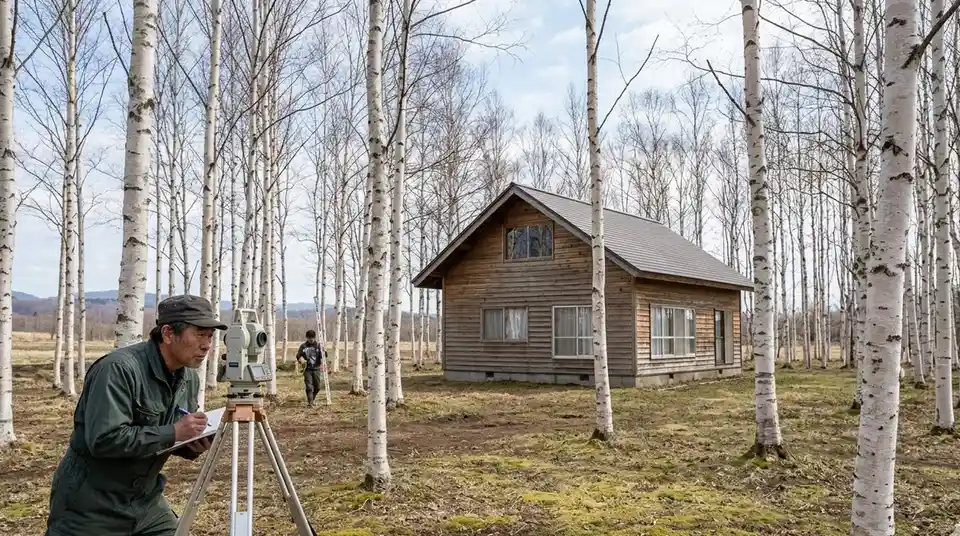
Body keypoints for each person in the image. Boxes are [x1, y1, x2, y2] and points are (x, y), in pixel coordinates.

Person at [44, 294, 229, 536]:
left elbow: (168, 436)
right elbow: (104, 440)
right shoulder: (118, 370)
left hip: (146, 500)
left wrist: (191, 443)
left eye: (210, 336)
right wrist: (173, 432)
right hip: (91, 505)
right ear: (168, 333)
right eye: (199, 334)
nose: (207, 345)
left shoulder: (189, 377)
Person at [296, 329, 325, 406]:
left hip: (316, 369)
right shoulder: (303, 346)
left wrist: (324, 352)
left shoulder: (319, 346)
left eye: (312, 337)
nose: (311, 339)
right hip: (307, 369)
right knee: (309, 387)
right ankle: (310, 402)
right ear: (307, 337)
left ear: (315, 337)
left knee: (318, 387)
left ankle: (312, 398)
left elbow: (324, 356)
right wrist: (300, 359)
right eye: (309, 338)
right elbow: (298, 355)